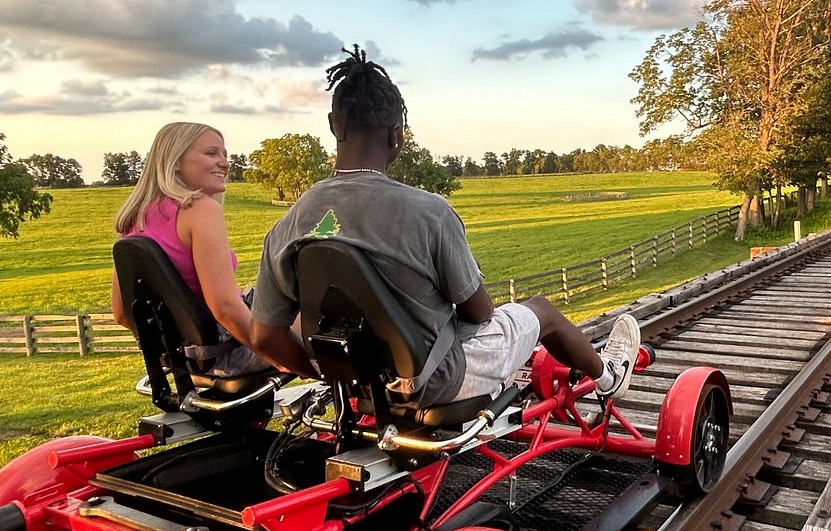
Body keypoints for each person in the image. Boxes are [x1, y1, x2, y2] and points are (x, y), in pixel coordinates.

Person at [250, 46, 640, 408]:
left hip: (357, 386)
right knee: (541, 310)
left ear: (335, 125)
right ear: (396, 135)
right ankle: (609, 377)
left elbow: (265, 336)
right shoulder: (429, 212)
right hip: (439, 381)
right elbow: (480, 313)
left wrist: (338, 380)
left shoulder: (289, 224)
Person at [111, 122, 302, 376]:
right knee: (317, 305)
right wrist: (277, 357)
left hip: (181, 356)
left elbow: (122, 313)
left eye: (225, 154)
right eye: (212, 153)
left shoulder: (136, 217)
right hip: (224, 352)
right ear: (175, 161)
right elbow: (224, 306)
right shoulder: (200, 209)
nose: (225, 163)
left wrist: (176, 345)